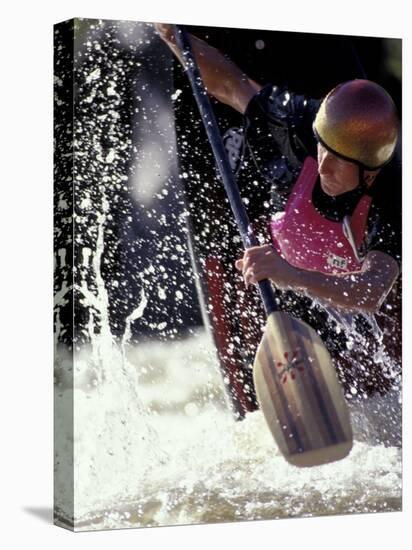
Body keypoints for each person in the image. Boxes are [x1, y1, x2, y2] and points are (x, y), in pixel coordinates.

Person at [155, 24, 401, 397]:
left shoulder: (394, 194)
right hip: (296, 244)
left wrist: (292, 274)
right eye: (323, 151)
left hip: (342, 279)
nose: (322, 168)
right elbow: (232, 85)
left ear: (370, 173)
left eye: (338, 163)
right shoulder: (299, 126)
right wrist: (173, 36)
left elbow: (370, 292)